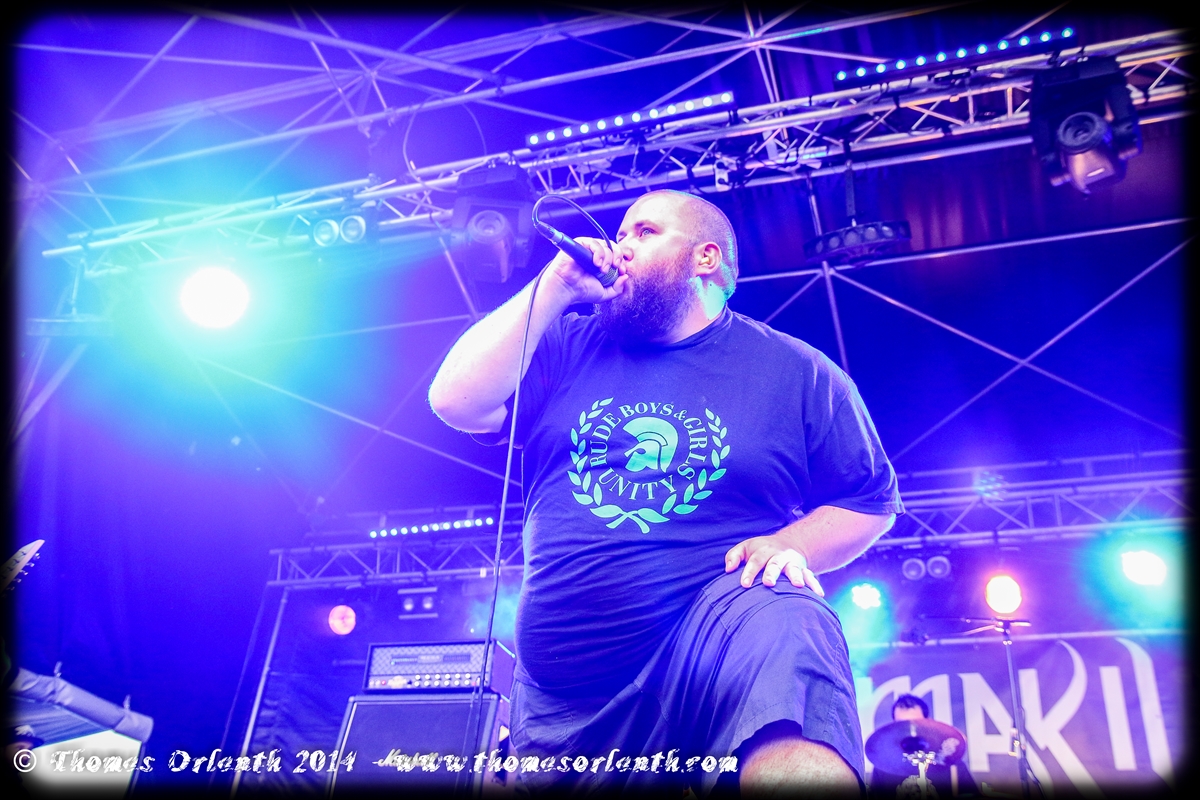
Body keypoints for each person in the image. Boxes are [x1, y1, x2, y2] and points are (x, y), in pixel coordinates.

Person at [429, 189, 903, 796]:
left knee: (792, 620)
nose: (621, 246)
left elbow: (869, 500)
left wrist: (793, 544)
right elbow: (455, 402)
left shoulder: (798, 372)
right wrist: (556, 286)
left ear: (706, 258)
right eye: (621, 233)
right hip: (567, 698)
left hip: (715, 645)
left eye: (645, 232)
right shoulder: (568, 344)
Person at [868, 695, 978, 799]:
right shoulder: (883, 767)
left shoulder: (950, 763)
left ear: (927, 722)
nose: (910, 729)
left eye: (916, 723)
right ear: (894, 725)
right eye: (902, 724)